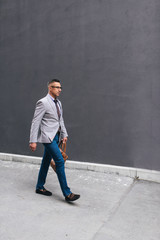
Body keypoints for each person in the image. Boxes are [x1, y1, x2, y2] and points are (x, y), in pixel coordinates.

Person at [29, 79, 80, 202]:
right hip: (47, 137)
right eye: (56, 87)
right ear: (50, 88)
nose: (59, 89)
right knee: (59, 161)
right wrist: (33, 140)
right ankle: (67, 194)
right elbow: (36, 122)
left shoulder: (59, 103)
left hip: (56, 137)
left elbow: (60, 120)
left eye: (60, 87)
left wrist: (64, 134)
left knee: (46, 161)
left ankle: (39, 187)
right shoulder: (43, 102)